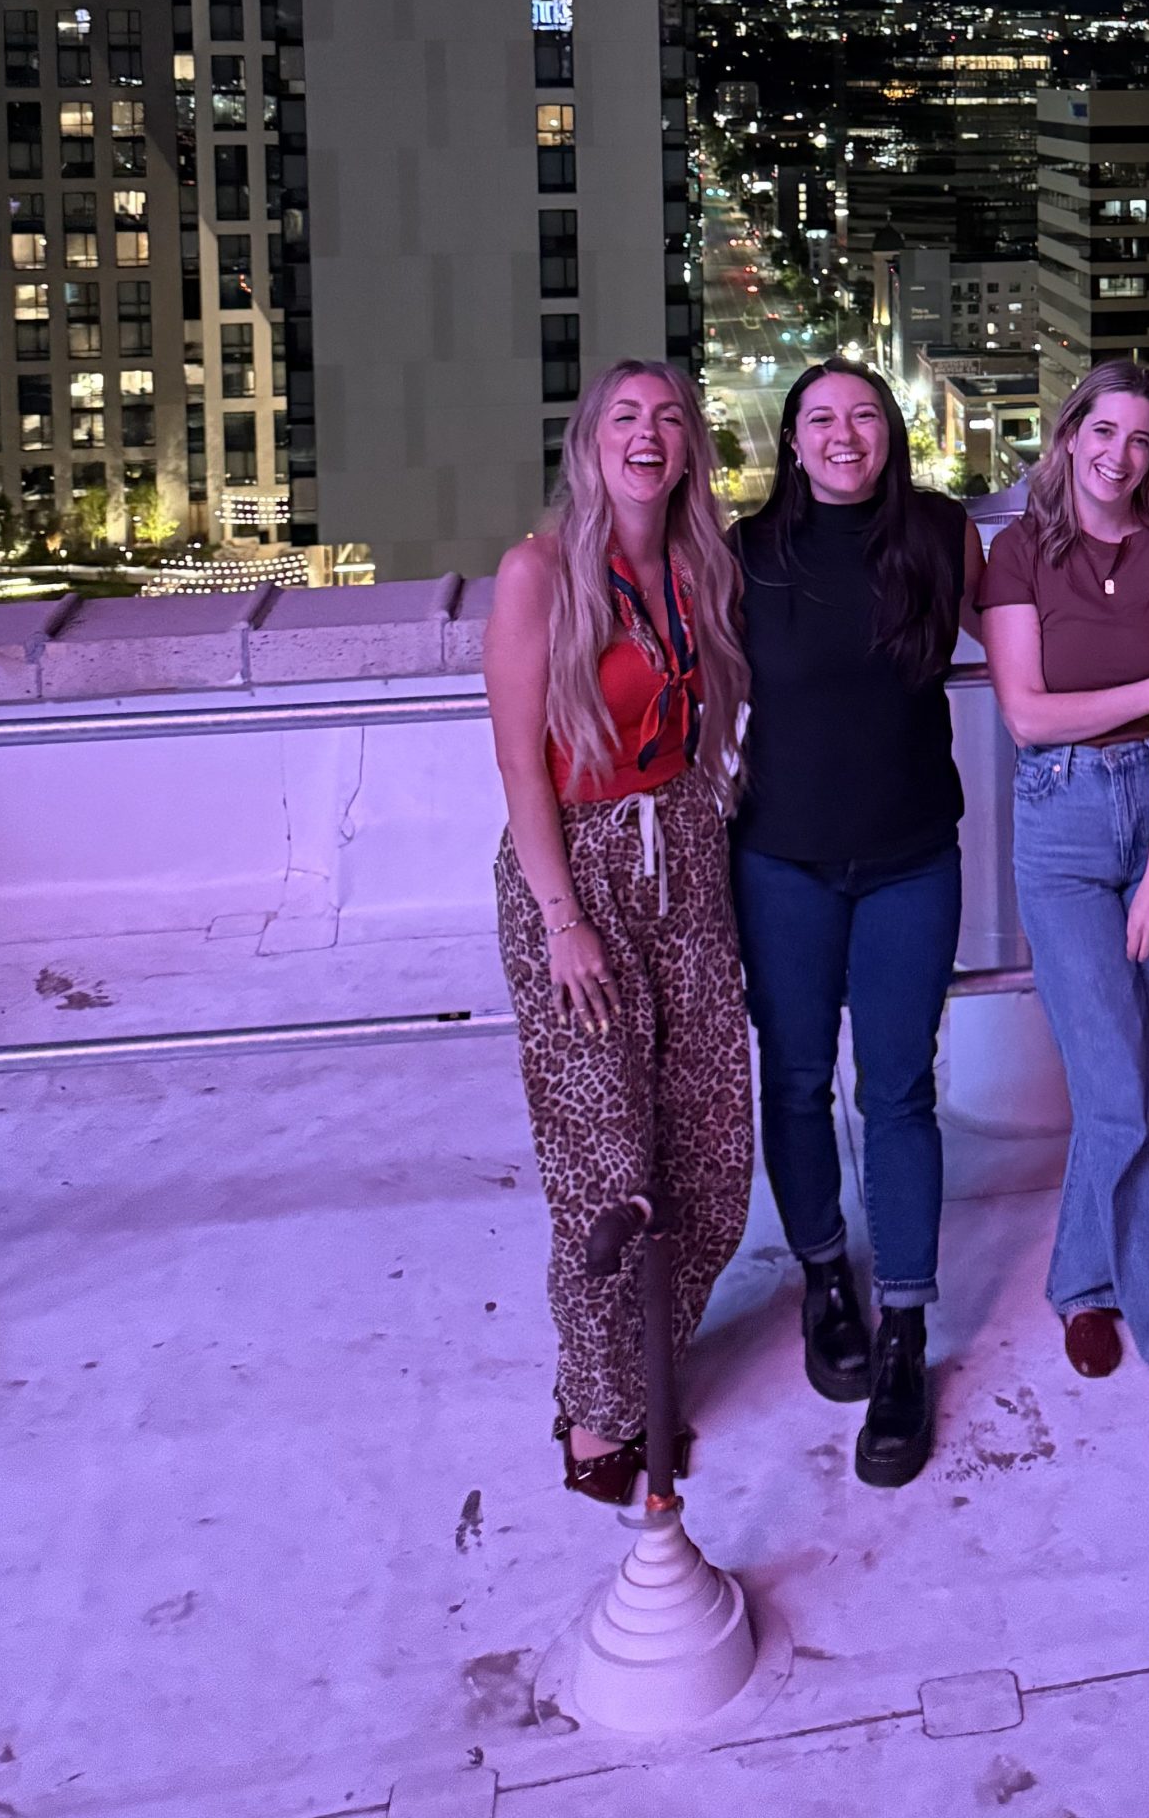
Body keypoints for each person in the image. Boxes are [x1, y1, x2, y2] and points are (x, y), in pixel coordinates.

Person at [484, 361, 754, 1505]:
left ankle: (652, 1349)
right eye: (626, 417)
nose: (649, 434)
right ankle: (600, 1410)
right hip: (580, 869)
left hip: (687, 854)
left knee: (711, 1152)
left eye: (670, 418)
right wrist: (563, 919)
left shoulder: (701, 565)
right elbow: (516, 762)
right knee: (604, 1164)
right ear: (591, 440)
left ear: (690, 445)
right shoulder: (538, 573)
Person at [730, 360, 984, 1488]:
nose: (844, 435)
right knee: (791, 1079)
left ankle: (906, 1329)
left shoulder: (937, 533)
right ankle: (822, 1272)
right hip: (781, 859)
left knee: (899, 1088)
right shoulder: (742, 555)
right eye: (822, 419)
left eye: (865, 416)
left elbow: (1040, 628)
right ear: (791, 440)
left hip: (911, 860)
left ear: (895, 432)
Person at [976, 358, 1149, 1433]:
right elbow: (1029, 716)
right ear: (1070, 435)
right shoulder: (1018, 552)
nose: (1120, 454)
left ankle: (1083, 1276)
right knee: (1118, 1083)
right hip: (1064, 821)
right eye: (1103, 432)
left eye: (1141, 438)